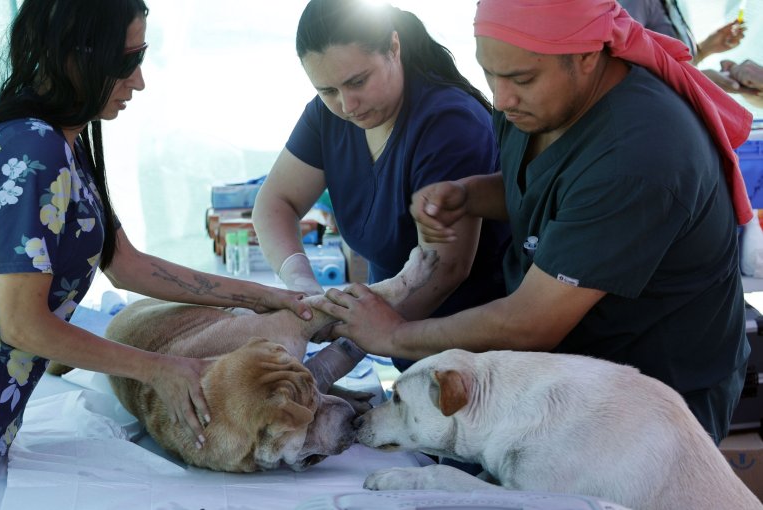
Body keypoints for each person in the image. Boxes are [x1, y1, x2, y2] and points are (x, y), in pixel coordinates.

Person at [0, 1, 312, 507]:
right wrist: (156, 368)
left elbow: (125, 262)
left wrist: (261, 296)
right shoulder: (32, 150)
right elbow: (22, 324)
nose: (139, 81)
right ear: (75, 54)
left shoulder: (65, 137)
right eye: (128, 59)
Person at [314, 0, 753, 446]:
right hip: (568, 376)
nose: (501, 99)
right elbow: (549, 188)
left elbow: (530, 322)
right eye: (490, 73)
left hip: (652, 400)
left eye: (521, 78)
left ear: (586, 56)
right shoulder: (534, 105)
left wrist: (394, 334)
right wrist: (470, 194)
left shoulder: (640, 155)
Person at [252, 0, 510, 371]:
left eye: (358, 82)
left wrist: (341, 355)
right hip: (396, 344)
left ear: (394, 48)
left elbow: (443, 270)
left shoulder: (449, 123)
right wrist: (302, 285)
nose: (347, 104)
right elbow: (276, 202)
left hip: (468, 355)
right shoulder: (328, 116)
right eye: (327, 90)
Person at [618, 0, 761, 103]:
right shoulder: (635, 3)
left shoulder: (672, 5)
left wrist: (704, 49)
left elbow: (666, 62)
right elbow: (624, 75)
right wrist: (699, 81)